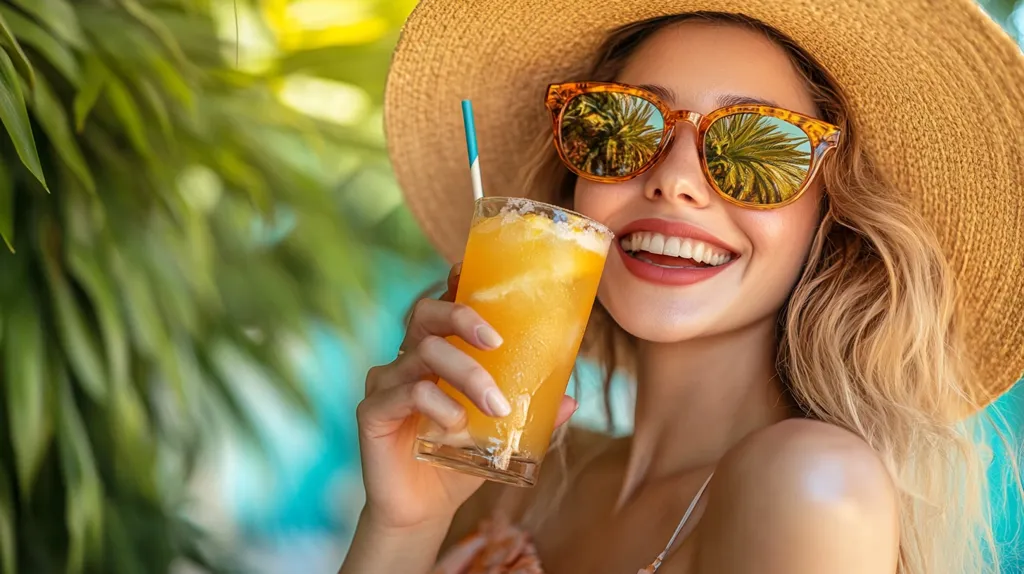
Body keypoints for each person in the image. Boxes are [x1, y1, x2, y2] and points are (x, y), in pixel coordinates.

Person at [341, 2, 1024, 573]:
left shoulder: (811, 485)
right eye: (621, 126)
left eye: (758, 147)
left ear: (835, 215)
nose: (674, 179)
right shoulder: (509, 482)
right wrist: (402, 526)